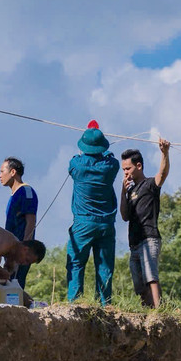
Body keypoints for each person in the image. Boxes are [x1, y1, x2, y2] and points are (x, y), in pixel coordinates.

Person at [65, 121, 120, 305]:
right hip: (106, 224)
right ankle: (105, 305)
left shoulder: (76, 165)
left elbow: (75, 158)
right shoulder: (111, 166)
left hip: (83, 223)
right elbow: (110, 157)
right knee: (104, 267)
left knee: (75, 263)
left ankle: (75, 303)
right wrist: (102, 149)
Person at [120, 138, 171, 307]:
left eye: (128, 169)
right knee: (139, 285)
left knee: (151, 278)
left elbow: (162, 174)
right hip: (134, 243)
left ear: (139, 166)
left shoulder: (150, 184)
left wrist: (164, 153)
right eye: (123, 170)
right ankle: (147, 312)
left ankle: (159, 311)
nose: (125, 172)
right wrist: (123, 191)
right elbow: (124, 215)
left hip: (149, 239)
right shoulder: (130, 191)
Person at [0, 156, 38, 302]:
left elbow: (31, 221)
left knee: (15, 285)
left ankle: (31, 306)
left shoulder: (26, 191)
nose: (0, 175)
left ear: (13, 172)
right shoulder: (14, 195)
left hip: (20, 250)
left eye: (2, 171)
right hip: (11, 249)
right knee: (9, 284)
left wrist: (24, 248)